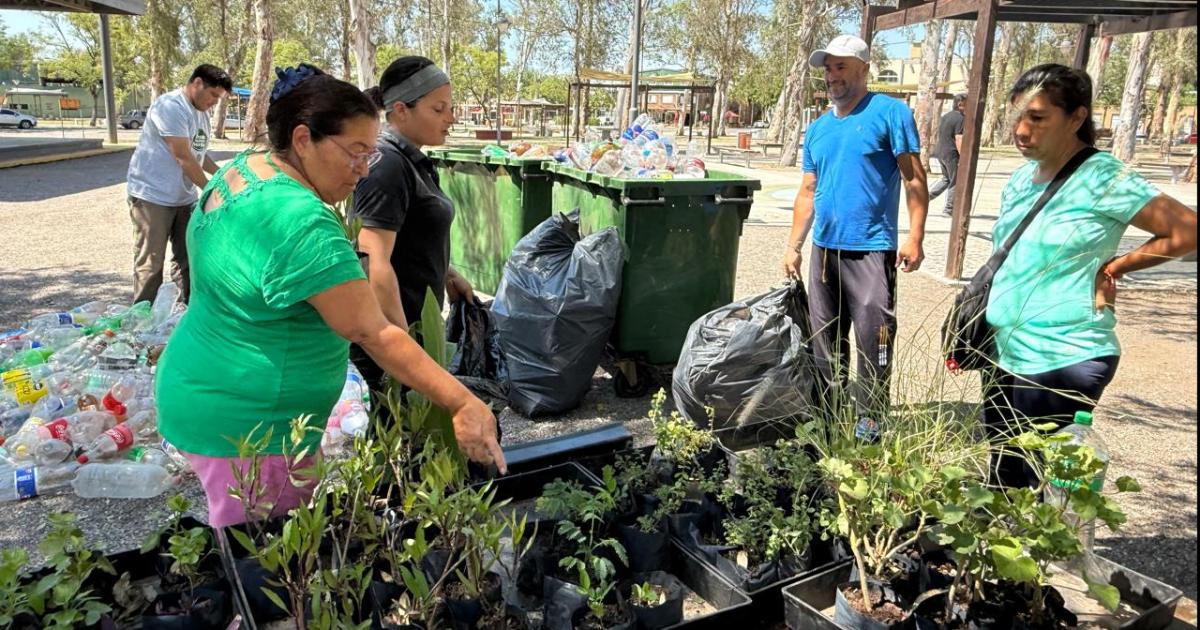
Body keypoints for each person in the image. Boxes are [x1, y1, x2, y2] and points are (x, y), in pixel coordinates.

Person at [155, 64, 505, 528]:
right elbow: (374, 330)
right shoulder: (298, 219)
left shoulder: (243, 172)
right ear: (303, 139)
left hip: (205, 388)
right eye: (355, 153)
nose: (363, 171)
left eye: (371, 155)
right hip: (252, 428)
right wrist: (462, 402)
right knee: (272, 562)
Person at [983, 64, 1196, 488]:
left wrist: (1117, 266)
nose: (1022, 130)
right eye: (1017, 117)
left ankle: (1049, 556)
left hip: (1063, 353)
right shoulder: (1022, 179)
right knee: (1005, 475)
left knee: (1039, 486)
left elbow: (1186, 230)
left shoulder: (1102, 177)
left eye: (1038, 118)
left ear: (1077, 118)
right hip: (1006, 352)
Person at [781, 34, 929, 427]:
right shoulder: (817, 130)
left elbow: (914, 178)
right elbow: (808, 191)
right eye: (827, 68)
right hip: (824, 253)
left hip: (871, 250)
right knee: (825, 344)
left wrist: (915, 236)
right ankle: (830, 422)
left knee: (875, 342)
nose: (831, 75)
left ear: (864, 68)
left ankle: (870, 425)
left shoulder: (889, 113)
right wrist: (794, 246)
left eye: (840, 66)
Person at [349, 57, 474, 397]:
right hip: (392, 342)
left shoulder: (413, 159)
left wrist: (447, 274)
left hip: (414, 329)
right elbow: (373, 262)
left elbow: (409, 235)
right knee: (399, 439)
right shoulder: (387, 166)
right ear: (401, 110)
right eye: (438, 109)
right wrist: (409, 354)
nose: (450, 118)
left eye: (450, 107)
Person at [126, 64, 232, 305]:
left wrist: (225, 178)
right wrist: (213, 192)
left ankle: (186, 315)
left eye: (219, 97)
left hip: (183, 198)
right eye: (214, 95)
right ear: (196, 84)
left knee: (188, 260)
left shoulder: (202, 113)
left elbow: (199, 156)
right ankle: (141, 322)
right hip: (152, 197)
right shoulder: (170, 107)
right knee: (150, 264)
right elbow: (183, 157)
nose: (215, 102)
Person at [929, 93, 967, 216]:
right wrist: (963, 157)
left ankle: (926, 197)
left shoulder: (945, 116)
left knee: (946, 179)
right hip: (951, 153)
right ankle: (949, 209)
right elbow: (959, 138)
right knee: (955, 180)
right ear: (960, 104)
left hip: (940, 151)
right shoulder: (961, 118)